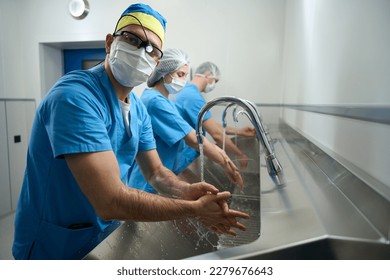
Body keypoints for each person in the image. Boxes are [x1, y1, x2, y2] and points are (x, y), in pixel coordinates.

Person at [12, 3, 249, 260]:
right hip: (53, 245)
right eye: (132, 39)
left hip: (100, 238)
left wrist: (185, 191)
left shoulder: (137, 109)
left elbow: (156, 172)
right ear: (109, 43)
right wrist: (193, 209)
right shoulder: (74, 98)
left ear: (157, 61)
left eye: (152, 50)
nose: (140, 52)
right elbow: (110, 200)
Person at [128, 48, 243, 194]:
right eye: (180, 74)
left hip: (160, 179)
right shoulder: (155, 102)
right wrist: (226, 163)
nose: (183, 81)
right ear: (163, 72)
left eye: (184, 76)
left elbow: (188, 132)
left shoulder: (161, 100)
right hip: (148, 185)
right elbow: (193, 139)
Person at [174, 62, 256, 169]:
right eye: (215, 81)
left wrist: (240, 131)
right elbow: (216, 134)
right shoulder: (192, 96)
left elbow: (210, 125)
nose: (214, 85)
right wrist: (240, 154)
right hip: (182, 156)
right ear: (209, 74)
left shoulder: (188, 92)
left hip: (183, 155)